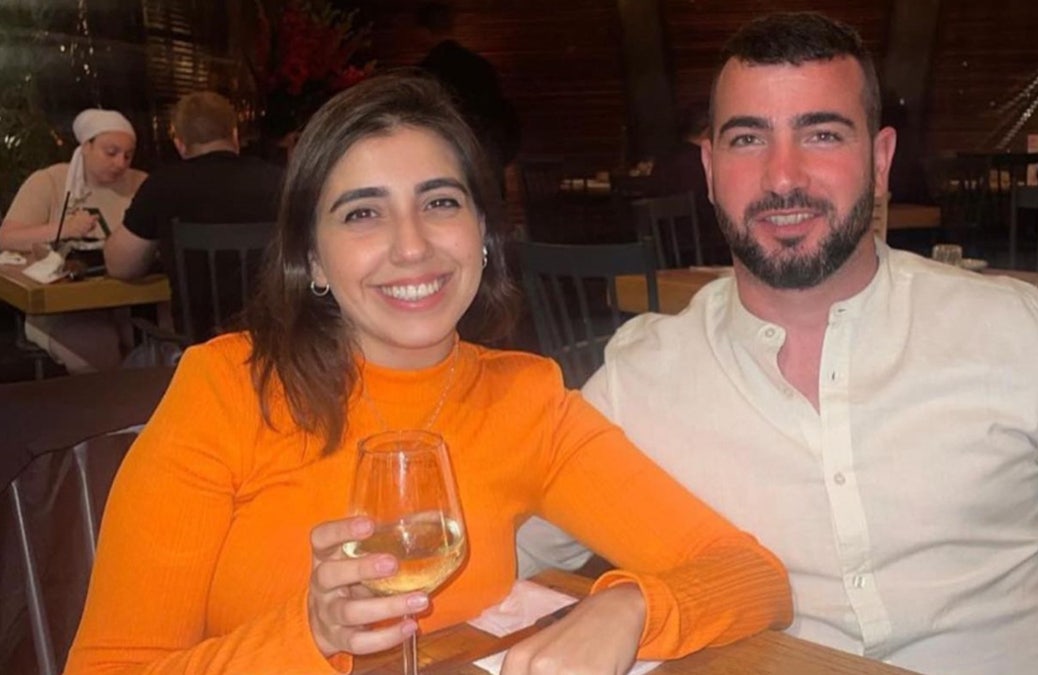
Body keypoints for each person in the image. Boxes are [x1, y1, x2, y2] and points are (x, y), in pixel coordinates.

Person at [518, 12, 1038, 675]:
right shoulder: (638, 381)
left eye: (821, 134)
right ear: (709, 165)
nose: (783, 176)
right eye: (749, 138)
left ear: (880, 159)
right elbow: (498, 550)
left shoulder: (1017, 330)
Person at [64, 73, 791, 674]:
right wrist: (308, 634)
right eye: (361, 214)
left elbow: (751, 574)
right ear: (312, 259)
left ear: (481, 234)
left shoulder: (522, 396)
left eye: (440, 203)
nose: (412, 247)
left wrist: (628, 608)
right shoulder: (226, 389)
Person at [103, 91, 284, 343]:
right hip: (280, 346)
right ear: (234, 134)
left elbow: (120, 266)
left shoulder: (163, 186)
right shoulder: (280, 181)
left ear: (180, 143)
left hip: (200, 351)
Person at [0, 108, 146, 372]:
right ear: (86, 146)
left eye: (128, 155)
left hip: (130, 305)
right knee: (99, 347)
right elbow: (6, 238)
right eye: (110, 153)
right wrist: (65, 228)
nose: (120, 163)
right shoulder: (50, 182)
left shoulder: (140, 184)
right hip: (61, 312)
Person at [415, 1, 520, 191]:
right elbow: (502, 114)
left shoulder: (424, 74)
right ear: (452, 26)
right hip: (487, 157)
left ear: (423, 32)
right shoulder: (480, 66)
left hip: (447, 160)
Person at [648, 101, 728, 265]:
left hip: (663, 253)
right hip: (707, 252)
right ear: (708, 131)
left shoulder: (663, 161)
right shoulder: (707, 163)